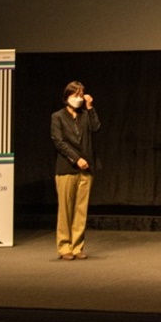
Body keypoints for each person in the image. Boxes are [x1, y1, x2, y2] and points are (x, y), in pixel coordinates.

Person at [50, 80, 100, 260]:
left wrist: (90, 106)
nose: (78, 98)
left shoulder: (85, 115)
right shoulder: (57, 117)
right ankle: (64, 247)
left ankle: (77, 246)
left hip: (86, 169)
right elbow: (58, 141)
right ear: (67, 97)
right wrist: (76, 158)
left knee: (81, 209)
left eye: (81, 95)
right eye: (75, 95)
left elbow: (96, 128)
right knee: (66, 209)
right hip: (66, 168)